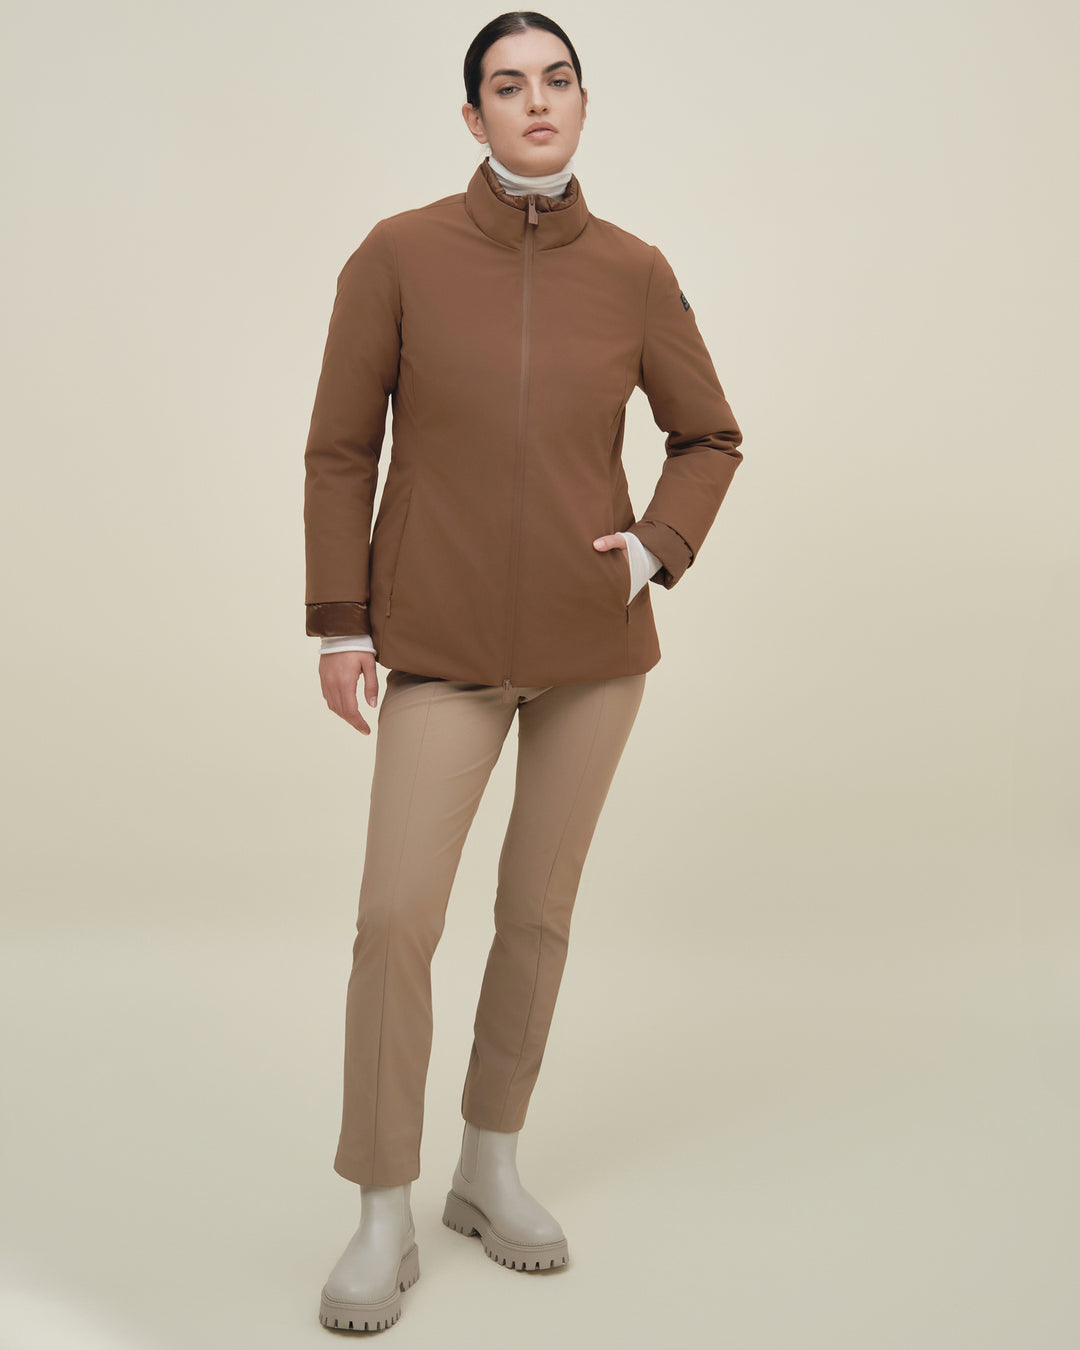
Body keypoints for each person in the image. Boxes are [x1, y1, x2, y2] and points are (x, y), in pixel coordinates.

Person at [304, 10, 744, 1333]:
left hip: (591, 653)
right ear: (473, 115)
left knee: (537, 914)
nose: (536, 102)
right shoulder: (398, 255)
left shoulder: (636, 271)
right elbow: (341, 447)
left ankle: (488, 1164)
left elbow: (709, 436)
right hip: (437, 649)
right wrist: (341, 625)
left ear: (584, 104)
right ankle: (382, 1204)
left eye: (557, 80)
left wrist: (654, 548)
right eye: (508, 85)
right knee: (396, 919)